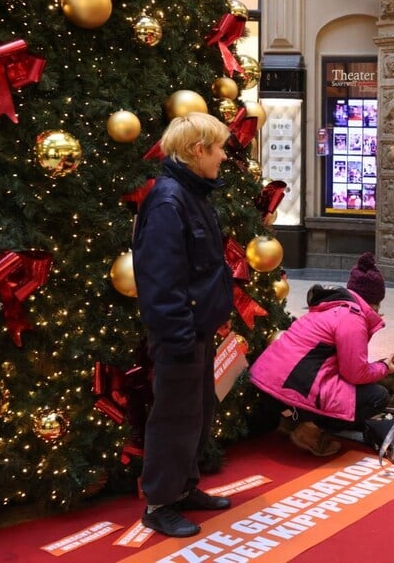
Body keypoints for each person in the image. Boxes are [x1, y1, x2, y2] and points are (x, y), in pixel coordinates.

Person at [132, 112, 235, 538]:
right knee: (174, 417)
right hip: (180, 332)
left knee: (197, 412)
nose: (224, 156)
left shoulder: (192, 194)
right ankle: (159, 503)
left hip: (197, 327)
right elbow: (160, 279)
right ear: (198, 151)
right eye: (219, 148)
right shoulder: (168, 201)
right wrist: (179, 335)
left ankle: (183, 487)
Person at [249, 253, 394, 457]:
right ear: (375, 302)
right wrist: (385, 367)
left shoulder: (328, 307)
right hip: (288, 392)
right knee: (377, 396)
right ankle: (309, 431)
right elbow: (355, 373)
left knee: (350, 388)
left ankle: (291, 421)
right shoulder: (353, 319)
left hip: (266, 385)